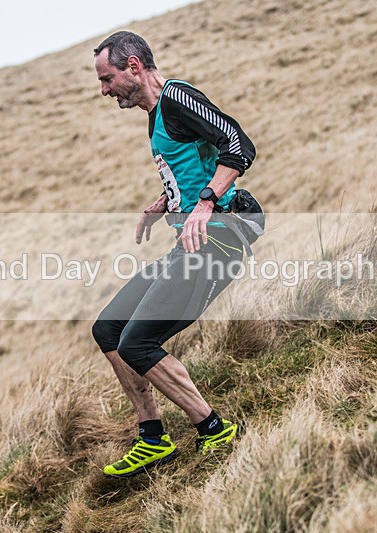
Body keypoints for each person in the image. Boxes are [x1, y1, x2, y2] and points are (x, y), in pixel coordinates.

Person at [91, 31, 256, 478]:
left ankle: (214, 429)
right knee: (108, 328)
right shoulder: (156, 115)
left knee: (138, 343)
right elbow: (196, 162)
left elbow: (239, 146)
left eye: (107, 79)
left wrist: (203, 203)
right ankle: (152, 438)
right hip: (188, 242)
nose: (104, 90)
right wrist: (166, 201)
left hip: (217, 241)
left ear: (133, 67)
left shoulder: (177, 97)